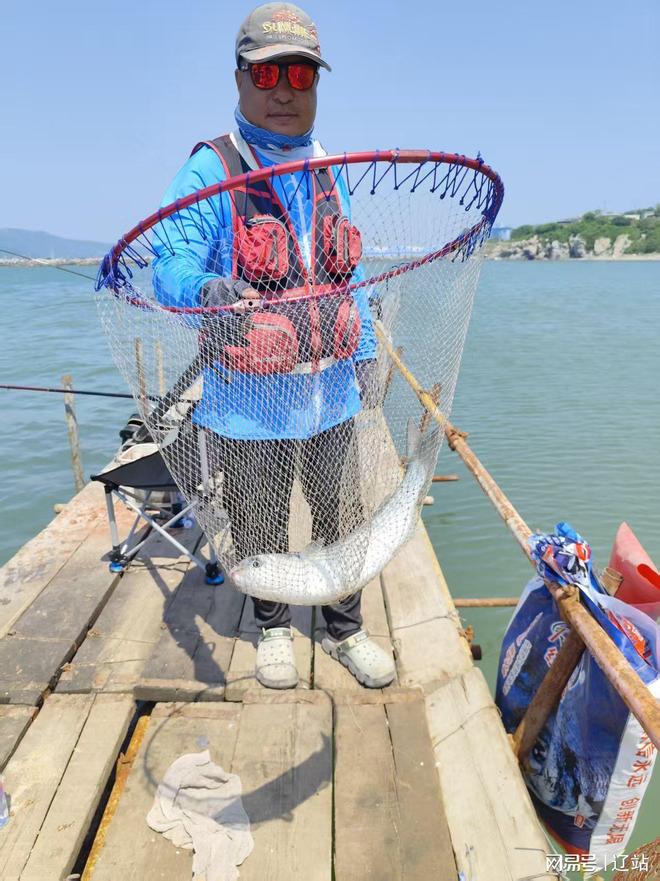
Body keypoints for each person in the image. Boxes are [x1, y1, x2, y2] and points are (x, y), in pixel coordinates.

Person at [152, 2, 396, 690]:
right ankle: (274, 626)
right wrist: (204, 290)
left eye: (300, 74)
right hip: (249, 405)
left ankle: (347, 630)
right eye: (266, 74)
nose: (284, 89)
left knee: (344, 516)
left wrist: (368, 348)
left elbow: (347, 272)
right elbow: (169, 259)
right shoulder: (212, 168)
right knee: (258, 521)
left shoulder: (327, 165)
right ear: (238, 80)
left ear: (316, 85)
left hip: (332, 394)